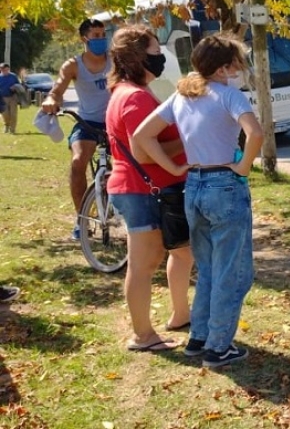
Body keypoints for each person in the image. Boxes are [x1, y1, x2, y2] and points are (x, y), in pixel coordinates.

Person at [133, 33, 263, 369]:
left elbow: (142, 136)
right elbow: (256, 133)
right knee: (233, 272)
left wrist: (174, 166)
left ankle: (200, 338)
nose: (237, 70)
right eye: (235, 64)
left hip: (194, 186)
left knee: (206, 268)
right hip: (225, 185)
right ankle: (219, 347)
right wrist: (243, 167)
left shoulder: (182, 97)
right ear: (223, 68)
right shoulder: (229, 96)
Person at [105, 25, 194, 352]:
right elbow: (142, 150)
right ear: (139, 57)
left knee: (181, 252)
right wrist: (186, 140)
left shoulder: (126, 91)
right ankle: (143, 335)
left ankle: (181, 314)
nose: (161, 58)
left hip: (145, 187)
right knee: (144, 263)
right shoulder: (136, 97)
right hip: (143, 189)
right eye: (156, 52)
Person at [41, 19, 112, 240]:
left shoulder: (116, 60)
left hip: (115, 123)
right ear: (84, 39)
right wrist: (52, 100)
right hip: (87, 123)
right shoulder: (73, 64)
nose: (101, 39)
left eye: (103, 34)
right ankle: (82, 218)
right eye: (96, 35)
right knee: (78, 162)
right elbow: (58, 88)